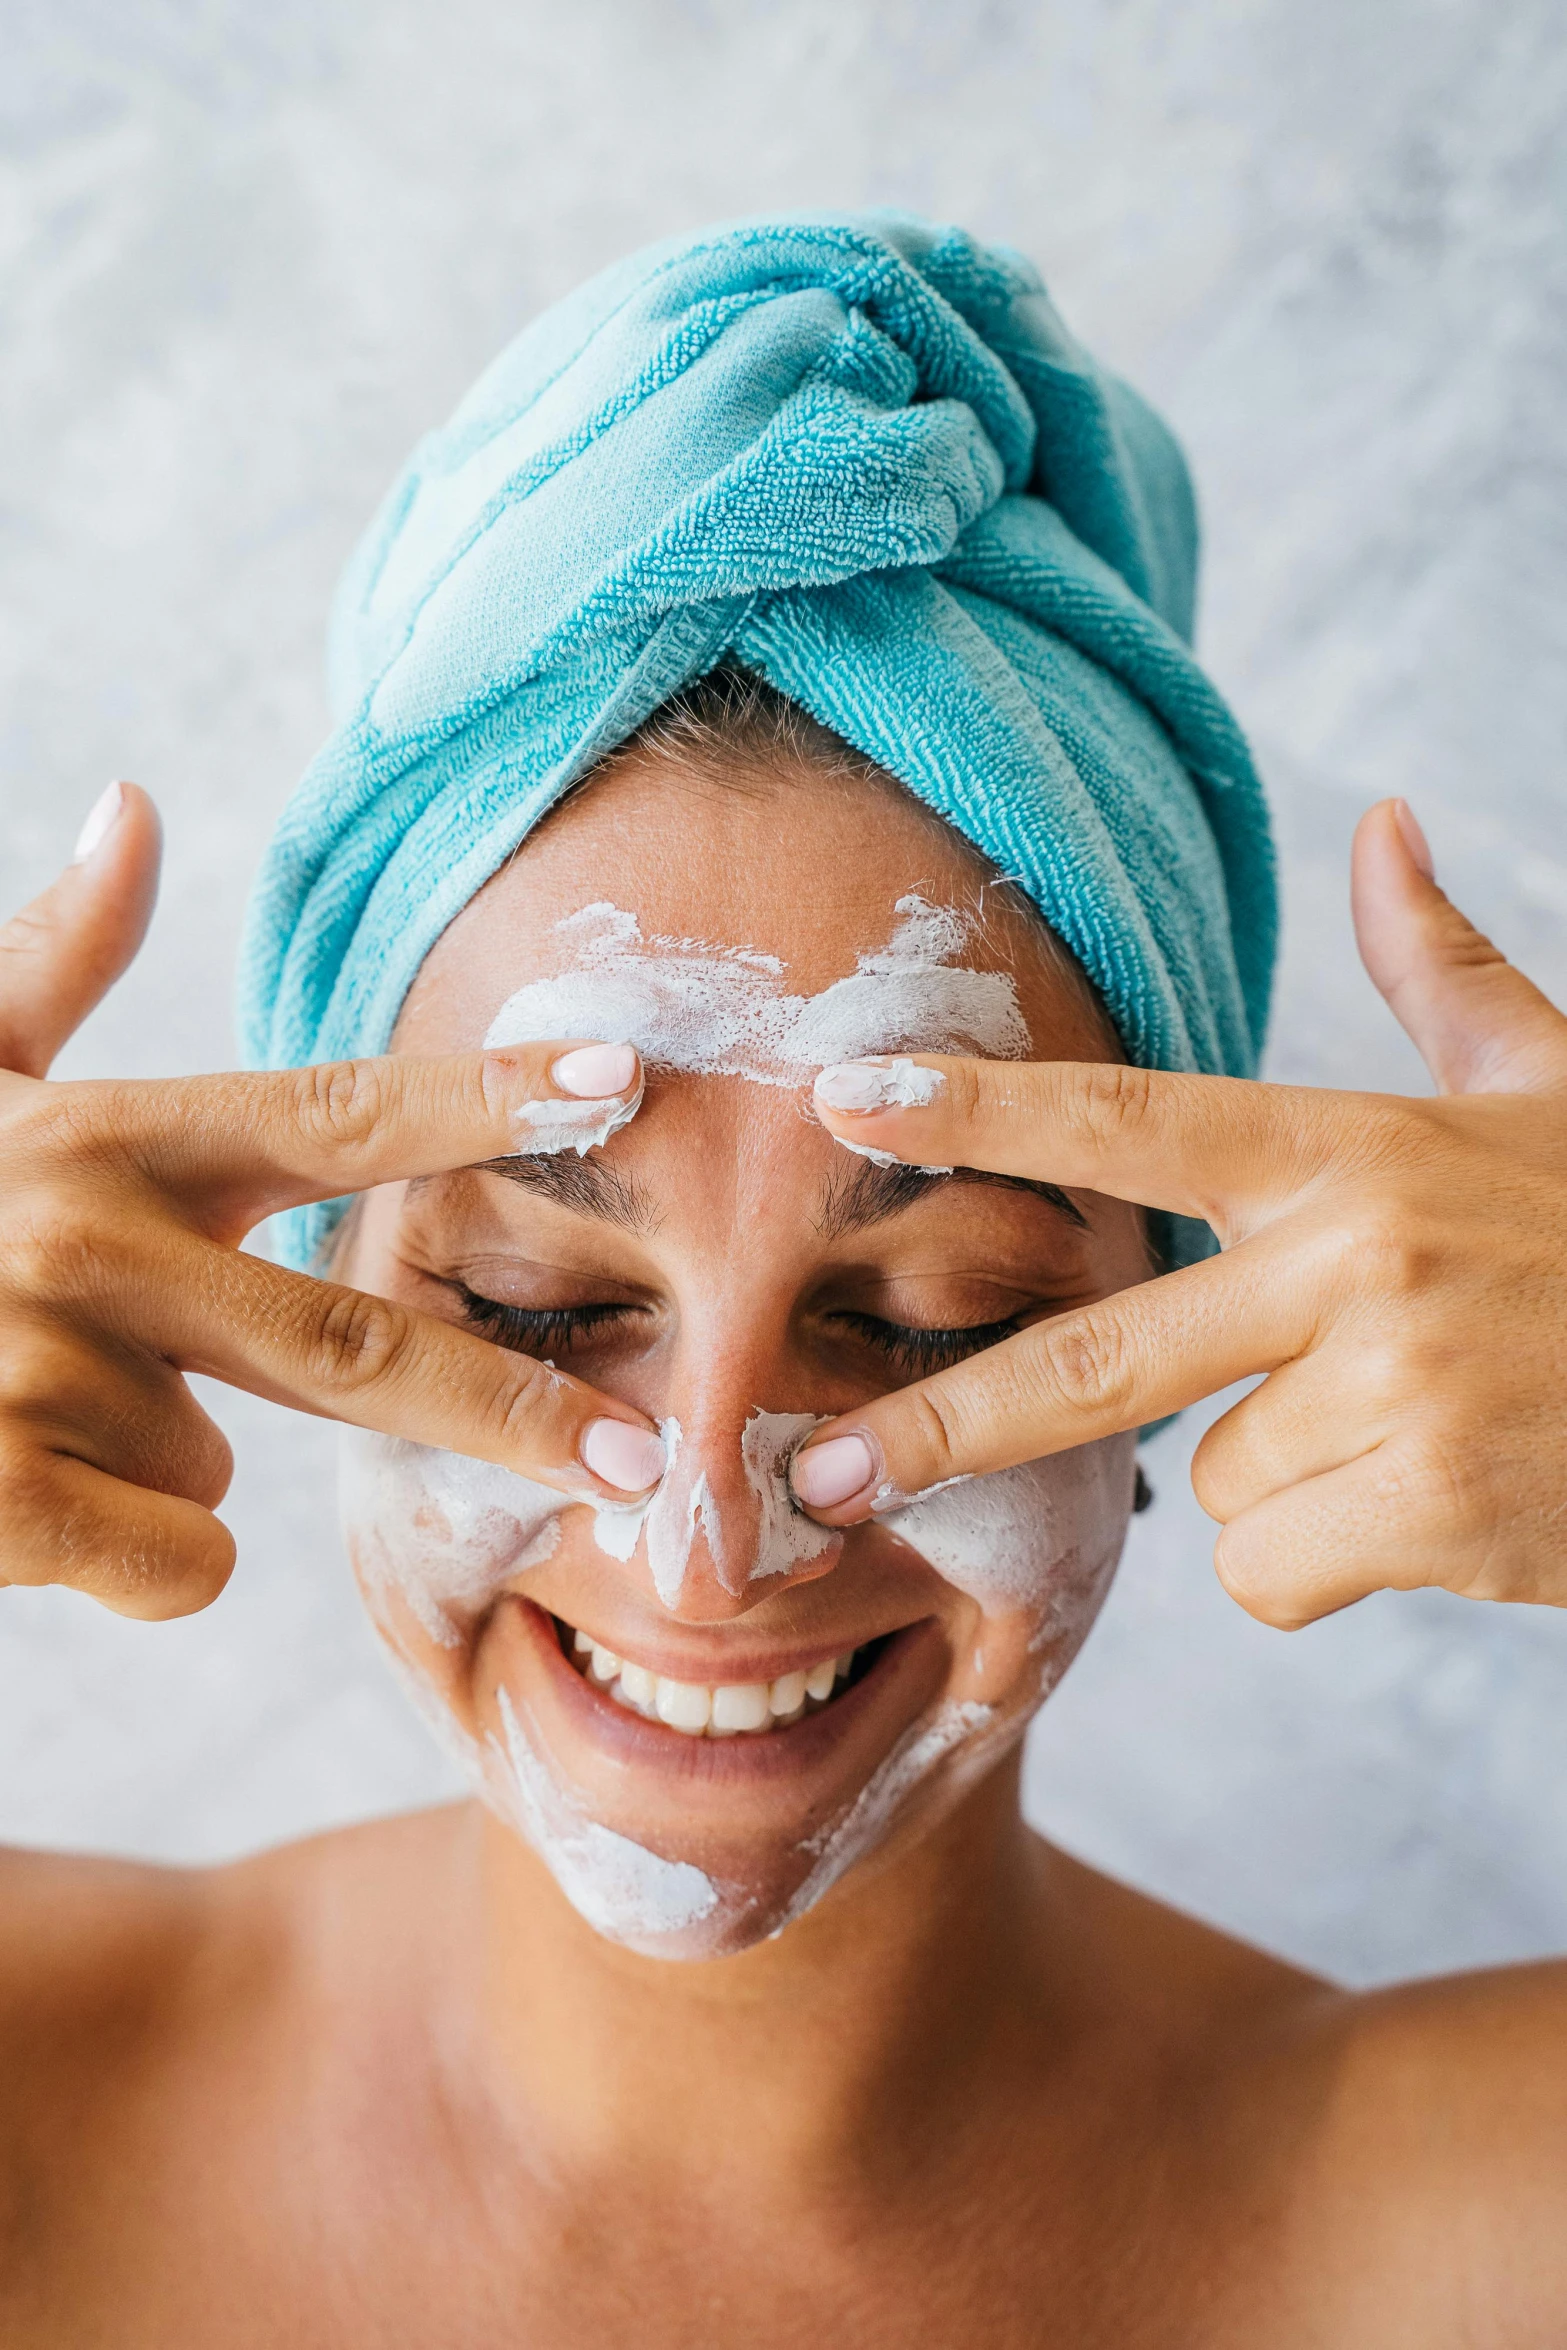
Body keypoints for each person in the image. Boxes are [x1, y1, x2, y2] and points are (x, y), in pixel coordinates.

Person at [1, 214, 1564, 2344]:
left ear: (1186, 1340)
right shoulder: (38, 2104)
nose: (708, 1531)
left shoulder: (1483, 2225)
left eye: (932, 1318)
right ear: (308, 1277)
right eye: (540, 1299)